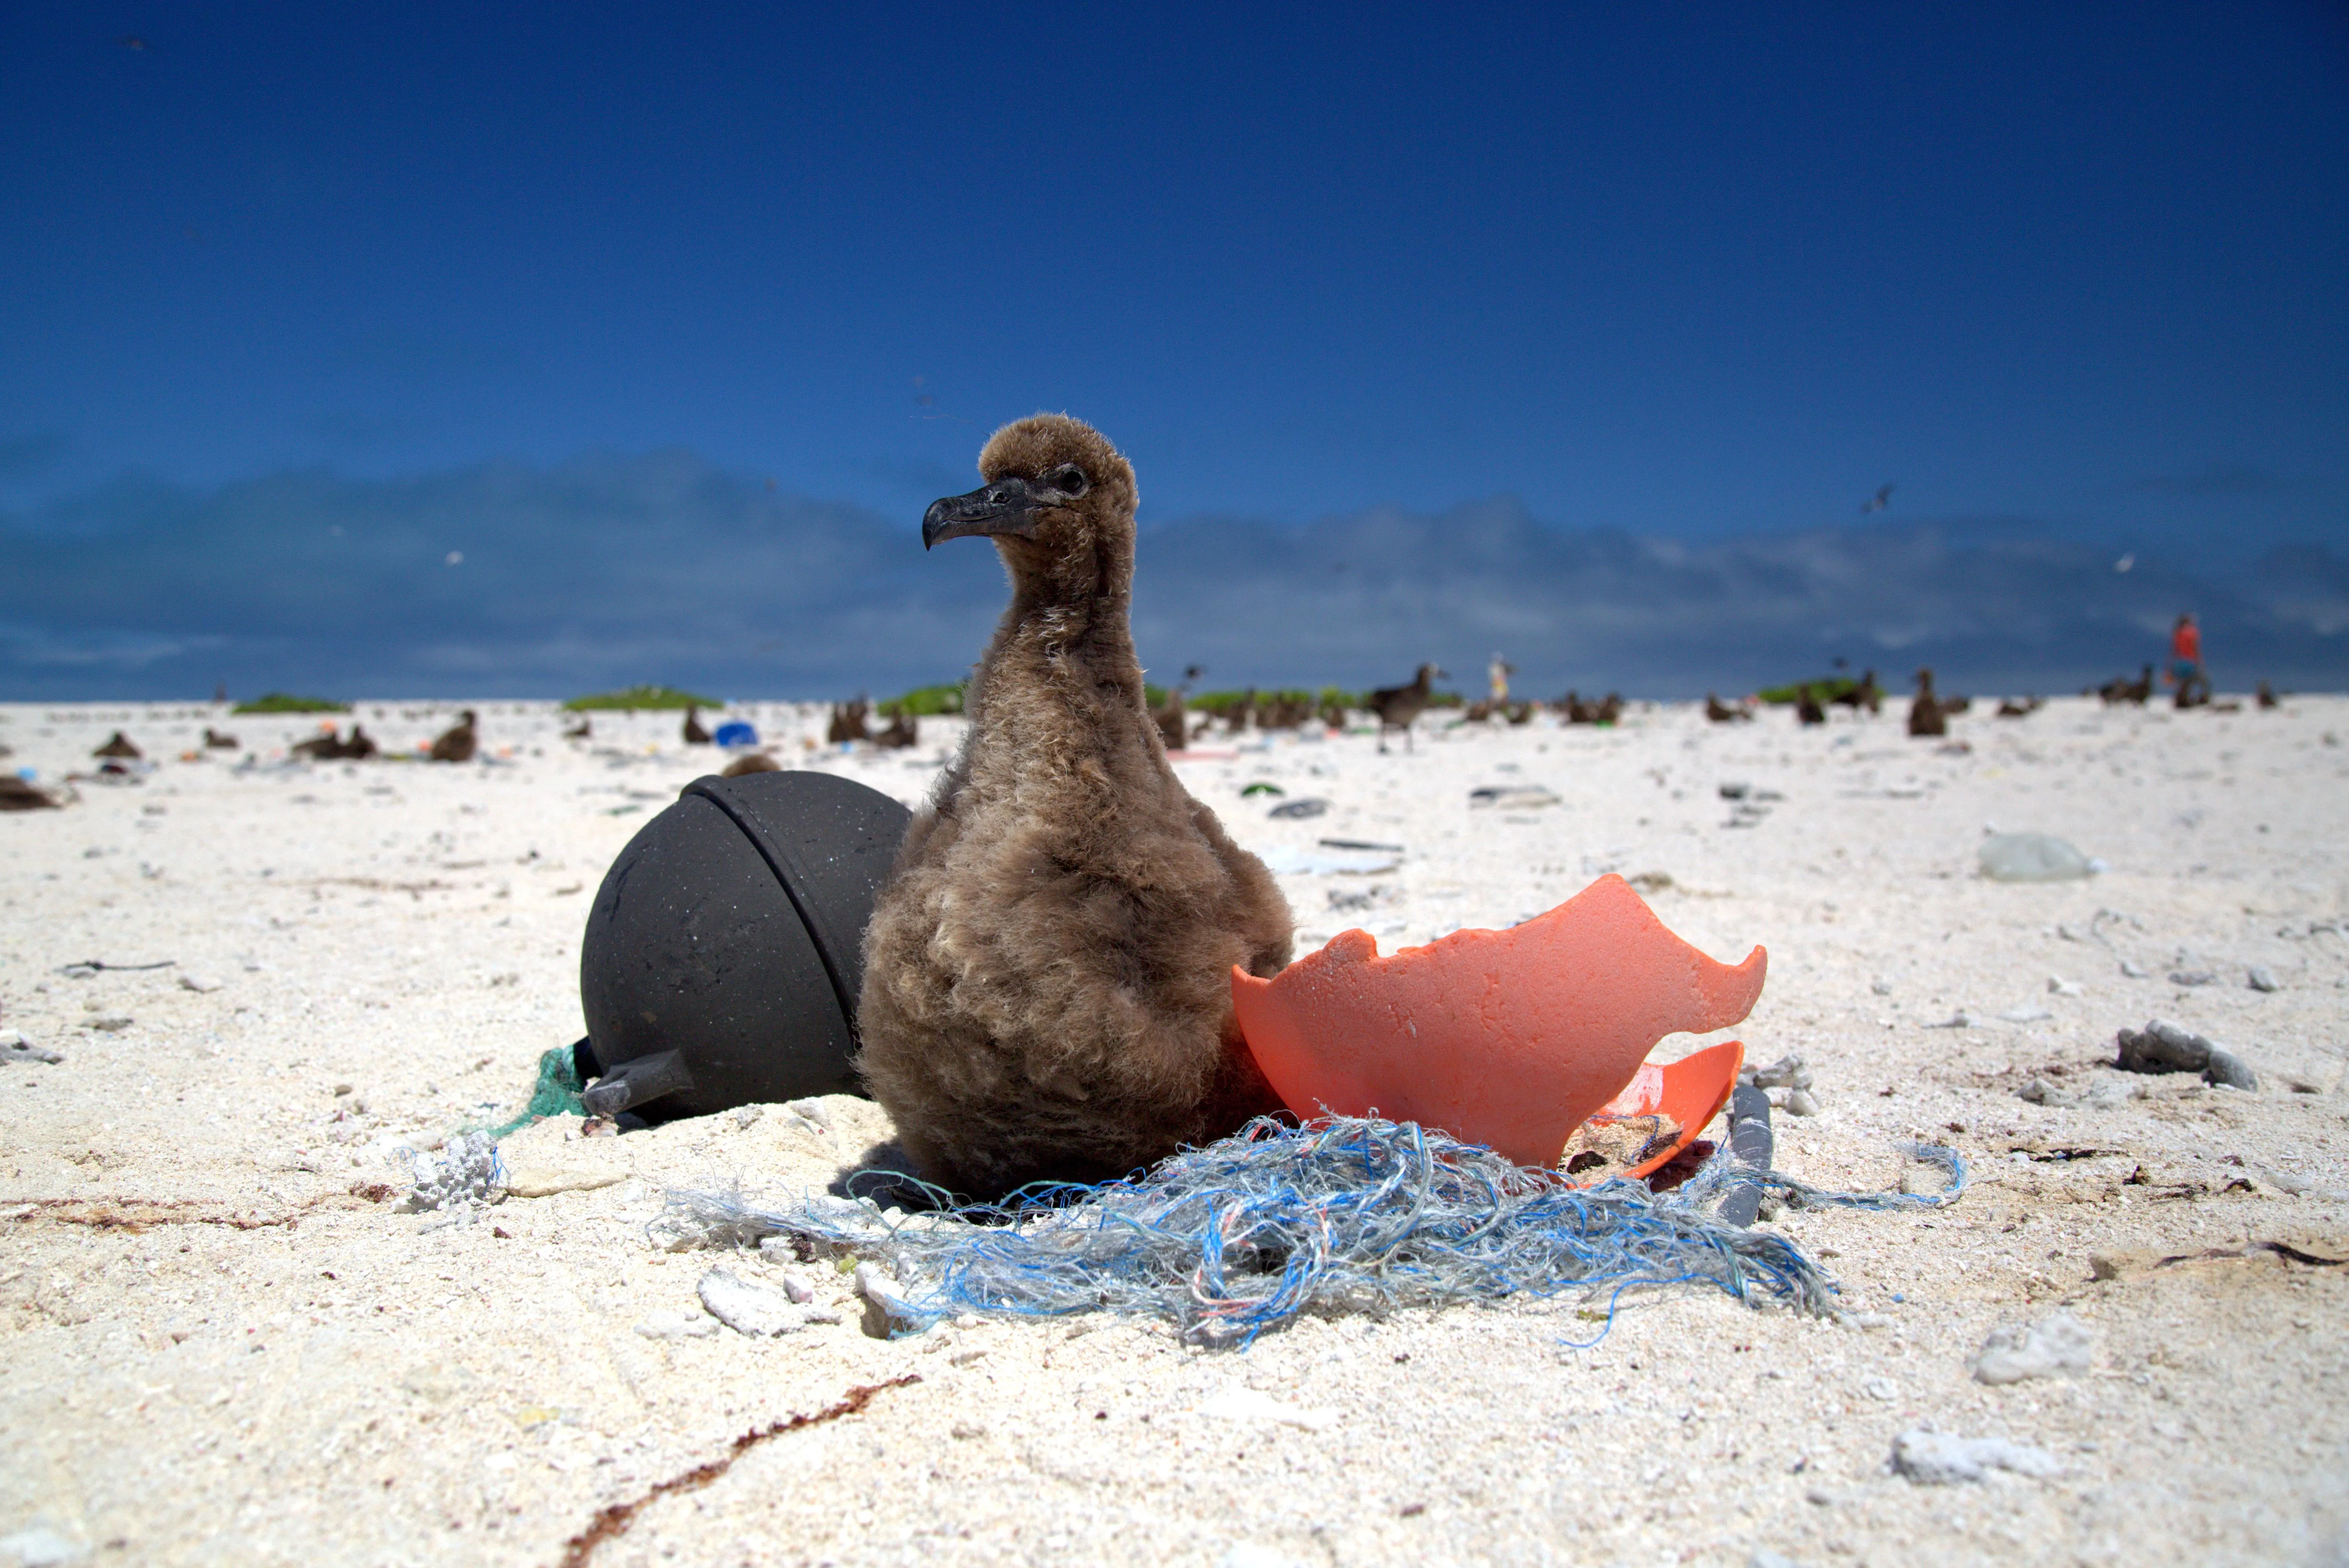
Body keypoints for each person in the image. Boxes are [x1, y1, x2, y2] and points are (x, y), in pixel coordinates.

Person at [2169, 613, 2208, 707]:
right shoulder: (2192, 633)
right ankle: (2192, 700)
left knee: (2182, 683)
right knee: (2194, 681)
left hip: (2179, 661)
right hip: (2190, 661)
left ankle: (2181, 701)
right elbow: (2195, 648)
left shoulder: (2177, 633)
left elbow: (2174, 650)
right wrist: (2200, 661)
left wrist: (2171, 665)